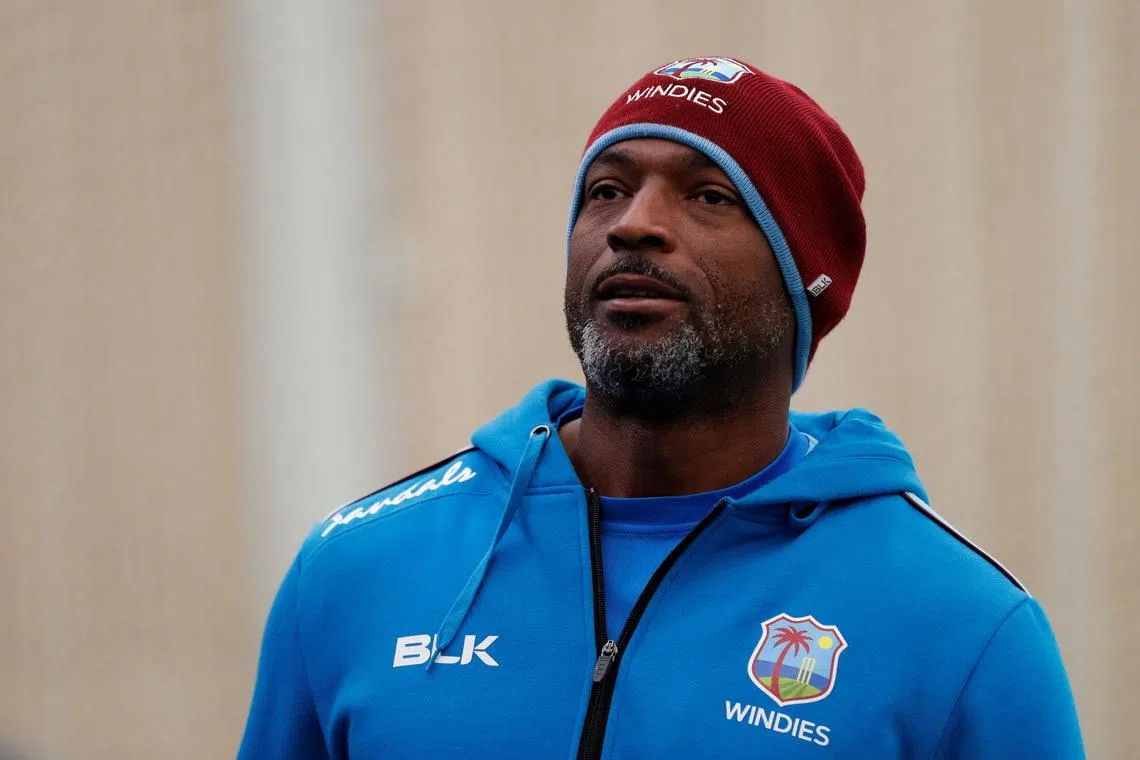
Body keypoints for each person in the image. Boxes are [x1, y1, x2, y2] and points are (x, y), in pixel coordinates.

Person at [237, 56, 1084, 759]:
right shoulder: (358, 569)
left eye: (709, 195)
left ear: (805, 279)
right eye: (605, 190)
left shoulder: (963, 627)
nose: (634, 224)